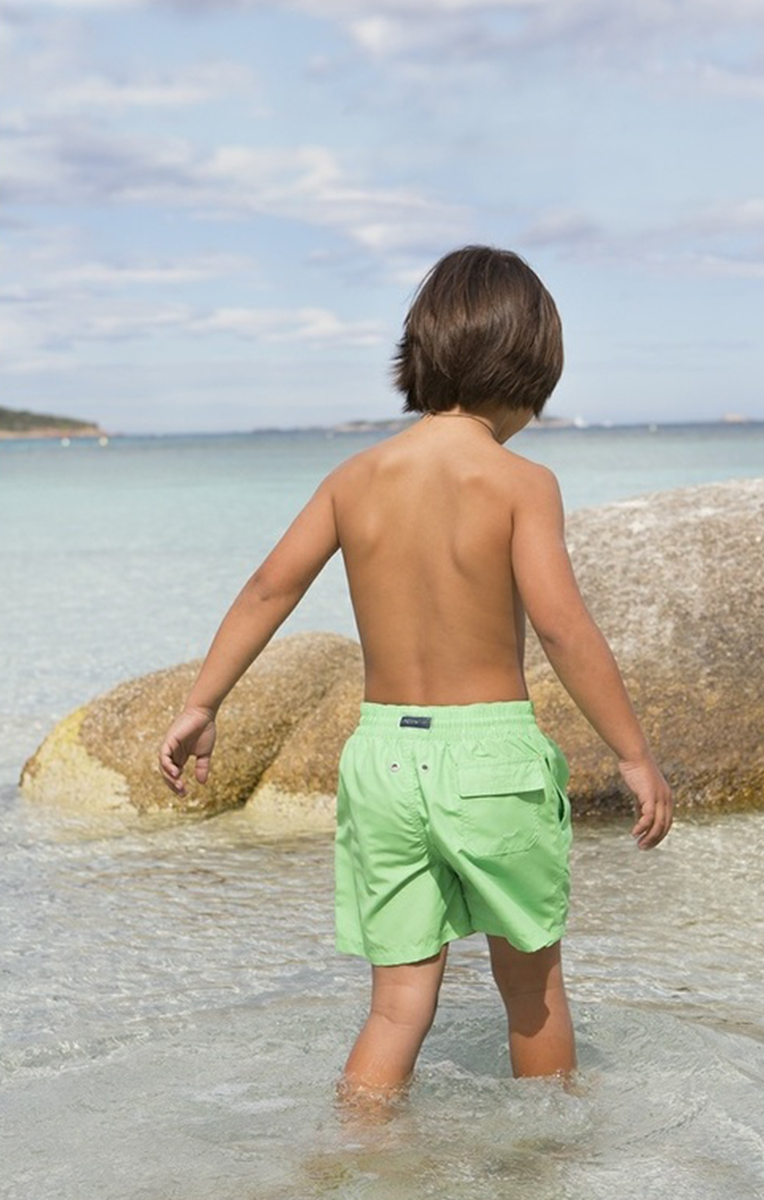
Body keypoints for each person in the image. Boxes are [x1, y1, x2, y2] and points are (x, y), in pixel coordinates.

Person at [158, 245, 672, 1107]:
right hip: (491, 759)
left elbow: (269, 587)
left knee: (398, 1006)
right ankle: (546, 1163)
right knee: (531, 990)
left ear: (421, 354)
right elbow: (561, 623)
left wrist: (203, 701)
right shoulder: (520, 483)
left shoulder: (355, 478)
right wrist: (632, 753)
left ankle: (358, 1160)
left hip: (383, 760)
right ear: (533, 369)